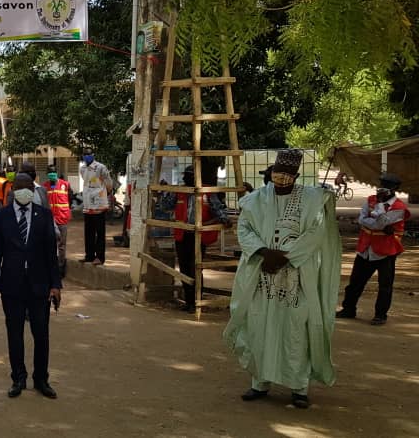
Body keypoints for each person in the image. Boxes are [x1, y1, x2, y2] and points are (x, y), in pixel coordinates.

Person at [223, 149, 341, 409]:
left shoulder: (311, 200)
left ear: (295, 176)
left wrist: (286, 257)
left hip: (297, 276)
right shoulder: (254, 200)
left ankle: (299, 388)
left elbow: (316, 232)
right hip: (261, 273)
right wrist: (265, 253)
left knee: (296, 329)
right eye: (278, 173)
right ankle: (259, 383)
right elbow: (244, 229)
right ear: (271, 173)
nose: (282, 178)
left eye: (288, 174)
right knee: (259, 326)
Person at [0, 173, 61, 399]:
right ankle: (18, 378)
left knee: (41, 335)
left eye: (28, 186)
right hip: (12, 285)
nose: (24, 190)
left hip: (39, 285)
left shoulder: (44, 216)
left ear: (33, 189)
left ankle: (41, 379)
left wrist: (56, 285)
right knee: (15, 334)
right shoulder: (1, 217)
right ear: (12, 191)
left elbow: (51, 254)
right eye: (19, 187)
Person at [337, 173, 411, 325]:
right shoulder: (370, 200)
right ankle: (348, 309)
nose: (381, 189)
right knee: (355, 282)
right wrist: (375, 221)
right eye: (381, 185)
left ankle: (380, 315)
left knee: (385, 286)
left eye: (386, 186)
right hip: (365, 248)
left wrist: (374, 218)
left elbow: (379, 223)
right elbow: (363, 219)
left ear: (394, 189)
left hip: (387, 251)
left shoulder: (399, 208)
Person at [159, 165, 231, 312]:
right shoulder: (180, 191)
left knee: (195, 268)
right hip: (182, 235)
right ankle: (189, 301)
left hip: (198, 236)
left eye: (190, 175)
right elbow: (165, 206)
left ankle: (196, 300)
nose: (187, 178)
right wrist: (164, 191)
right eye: (186, 175)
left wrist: (224, 219)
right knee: (185, 268)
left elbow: (218, 209)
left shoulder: (207, 192)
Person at [78, 148, 113, 265]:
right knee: (89, 233)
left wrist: (102, 195)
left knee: (100, 233)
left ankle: (100, 257)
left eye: (89, 154)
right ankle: (89, 255)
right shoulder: (82, 169)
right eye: (85, 155)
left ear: (93, 155)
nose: (87, 156)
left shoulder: (101, 168)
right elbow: (86, 182)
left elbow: (109, 184)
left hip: (99, 205)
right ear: (83, 156)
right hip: (87, 205)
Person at [42, 164, 72, 276]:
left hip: (62, 218)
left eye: (54, 172)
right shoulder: (44, 187)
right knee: (50, 244)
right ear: (47, 174)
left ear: (57, 172)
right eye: (50, 173)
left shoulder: (65, 185)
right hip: (50, 220)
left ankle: (61, 268)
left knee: (62, 245)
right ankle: (51, 267)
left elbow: (70, 199)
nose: (52, 174)